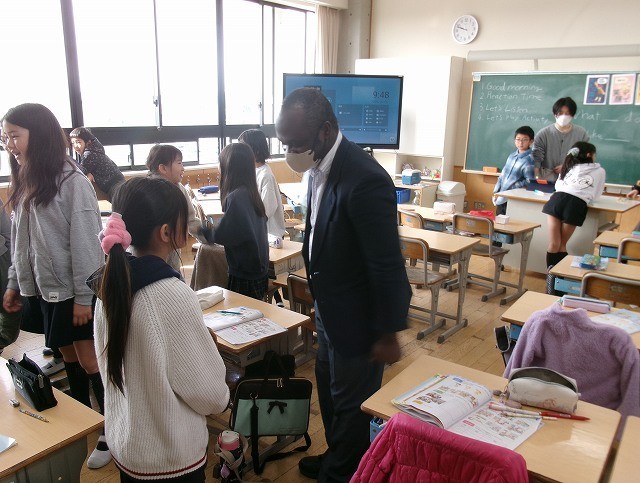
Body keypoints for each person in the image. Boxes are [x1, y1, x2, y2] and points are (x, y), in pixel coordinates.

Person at [276, 88, 412, 482]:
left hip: (360, 319)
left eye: (296, 143)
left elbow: (386, 262)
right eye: (284, 143)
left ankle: (343, 473)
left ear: (325, 130)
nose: (289, 152)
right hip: (330, 307)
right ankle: (338, 454)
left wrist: (387, 332)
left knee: (353, 405)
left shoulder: (365, 178)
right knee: (330, 389)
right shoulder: (318, 166)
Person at [89, 177, 229, 481]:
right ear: (166, 232)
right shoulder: (170, 294)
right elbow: (211, 395)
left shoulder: (109, 284)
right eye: (183, 220)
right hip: (171, 458)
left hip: (129, 449)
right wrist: (210, 350)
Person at [1, 103, 110, 468]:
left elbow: (86, 244)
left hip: (74, 291)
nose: (9, 145)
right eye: (5, 138)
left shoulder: (72, 181)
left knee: (90, 359)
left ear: (41, 135)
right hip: (46, 289)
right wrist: (15, 283)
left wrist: (83, 298)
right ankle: (83, 419)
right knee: (68, 355)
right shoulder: (28, 177)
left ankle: (111, 431)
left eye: (14, 136)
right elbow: (21, 241)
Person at [204, 143, 269, 300]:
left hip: (245, 273)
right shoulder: (250, 193)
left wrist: (205, 231)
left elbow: (226, 233)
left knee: (242, 311)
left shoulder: (237, 197)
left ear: (229, 166)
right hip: (258, 271)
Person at [146, 144, 210, 271]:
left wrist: (210, 238)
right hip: (149, 258)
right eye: (179, 163)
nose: (183, 168)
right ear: (163, 168)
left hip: (172, 260)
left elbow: (191, 221)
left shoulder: (179, 189)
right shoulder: (145, 191)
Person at [542, 142, 606, 268]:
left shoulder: (568, 165)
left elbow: (558, 186)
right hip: (575, 204)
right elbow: (596, 195)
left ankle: (551, 277)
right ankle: (559, 277)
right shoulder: (599, 170)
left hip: (556, 200)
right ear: (589, 155)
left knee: (554, 244)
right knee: (562, 244)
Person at [238, 129, 286, 240]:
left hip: (269, 235)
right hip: (258, 232)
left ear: (257, 150)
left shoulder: (265, 175)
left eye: (244, 148)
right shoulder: (252, 171)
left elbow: (267, 210)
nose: (240, 152)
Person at [532, 97, 589, 182]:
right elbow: (536, 159)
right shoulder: (543, 134)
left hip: (571, 180)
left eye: (567, 113)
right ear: (555, 114)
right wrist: (536, 178)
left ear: (573, 115)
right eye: (560, 113)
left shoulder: (581, 134)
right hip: (547, 179)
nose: (564, 116)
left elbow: (585, 157)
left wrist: (567, 166)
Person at [70, 127, 125, 201]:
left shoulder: (89, 154)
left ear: (88, 142)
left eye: (78, 142)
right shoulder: (95, 150)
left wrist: (87, 173)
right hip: (119, 183)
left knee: (122, 205)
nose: (75, 146)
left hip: (115, 187)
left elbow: (79, 172)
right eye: (73, 143)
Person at [493, 126, 535, 216]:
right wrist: (496, 192)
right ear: (514, 140)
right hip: (501, 197)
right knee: (499, 222)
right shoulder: (511, 156)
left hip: (513, 199)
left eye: (524, 140)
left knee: (509, 223)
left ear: (531, 141)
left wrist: (512, 187)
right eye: (518, 139)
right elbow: (502, 175)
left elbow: (530, 182)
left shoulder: (529, 160)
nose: (521, 143)